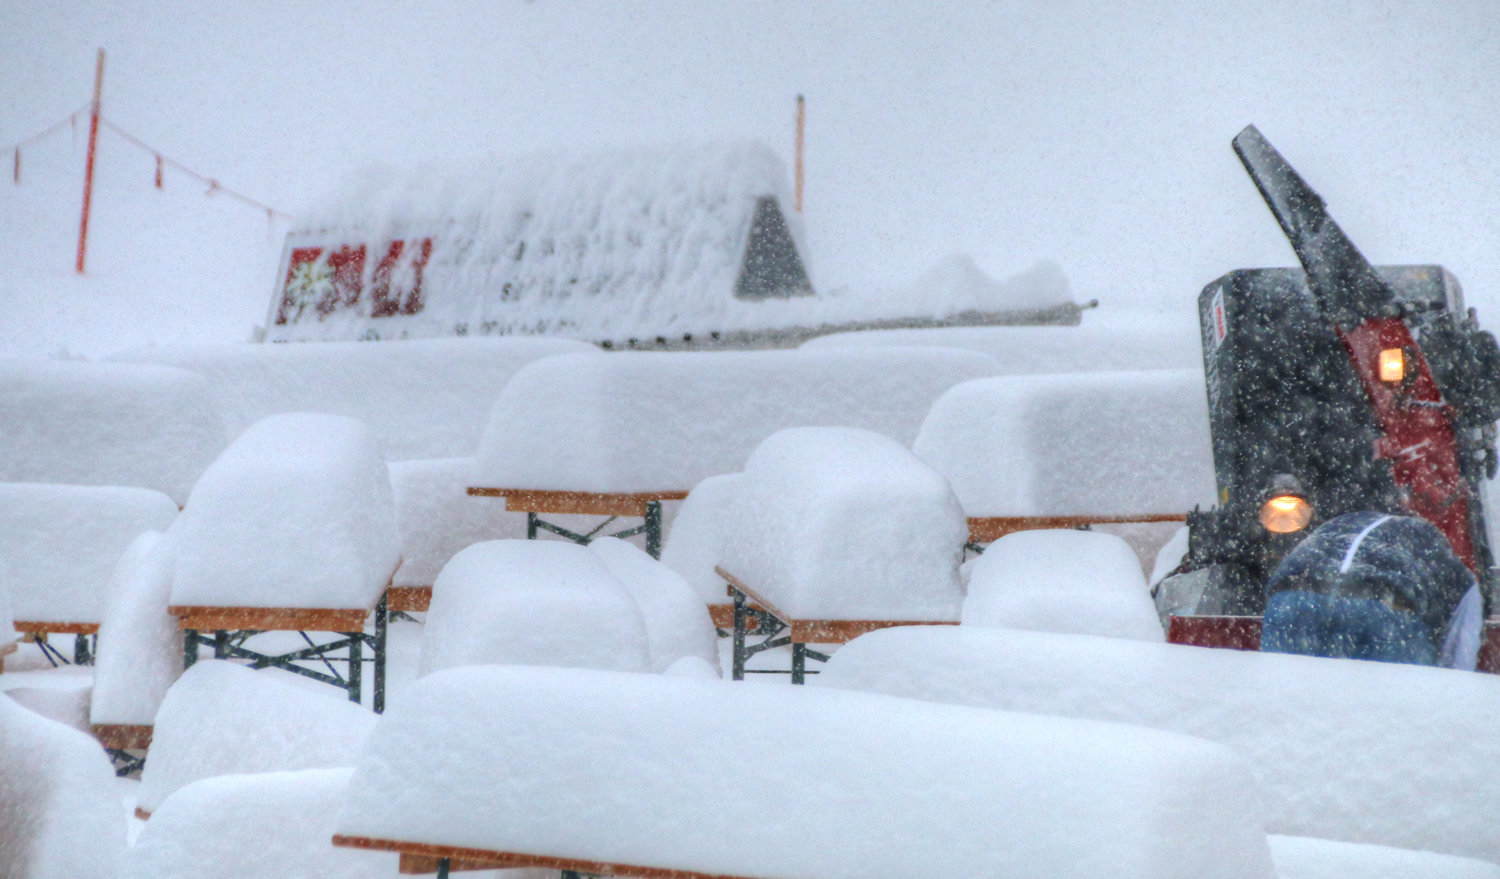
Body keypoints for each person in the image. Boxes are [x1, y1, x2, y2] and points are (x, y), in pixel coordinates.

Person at [1261, 511, 1483, 670]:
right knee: (1396, 718)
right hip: (1383, 608)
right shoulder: (1441, 555)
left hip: (1290, 600)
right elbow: (1460, 655)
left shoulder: (1341, 522)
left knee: (1285, 699)